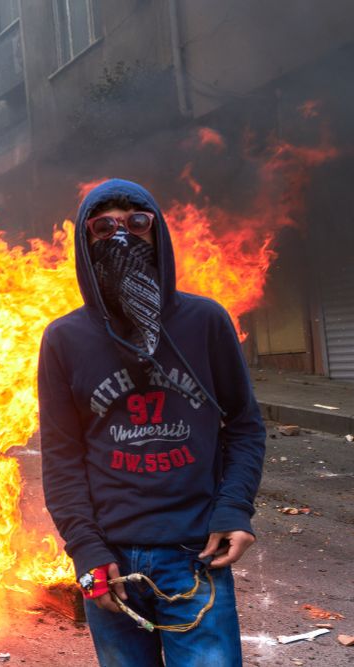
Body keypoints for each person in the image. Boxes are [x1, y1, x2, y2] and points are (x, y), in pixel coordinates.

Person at [37, 179, 265, 666]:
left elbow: (244, 425)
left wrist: (234, 510)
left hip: (193, 557)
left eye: (137, 223)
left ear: (157, 233)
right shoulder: (64, 339)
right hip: (111, 562)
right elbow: (61, 457)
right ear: (85, 242)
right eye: (104, 227)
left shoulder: (205, 322)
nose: (122, 236)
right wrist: (86, 551)